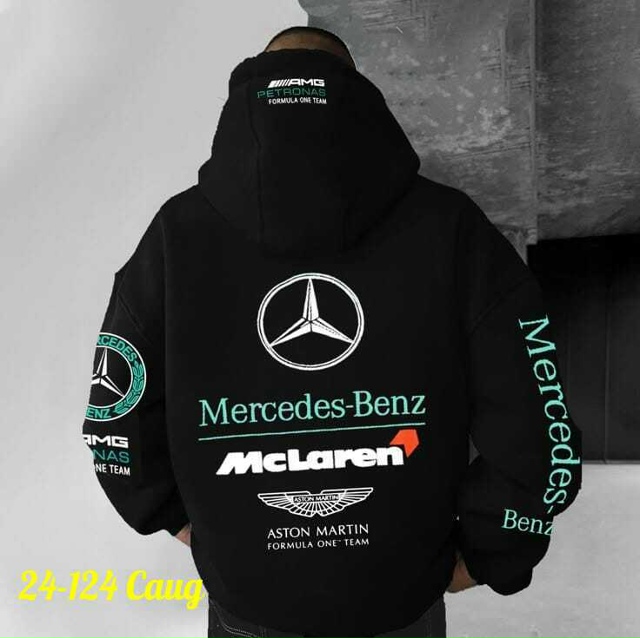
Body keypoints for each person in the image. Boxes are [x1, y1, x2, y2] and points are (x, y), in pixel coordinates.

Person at [81, 24, 582, 638]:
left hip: (250, 600)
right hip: (400, 598)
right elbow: (536, 418)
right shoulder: (452, 228)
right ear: (359, 96)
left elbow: (116, 415)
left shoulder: (174, 236)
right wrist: (496, 549)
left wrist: (183, 523)